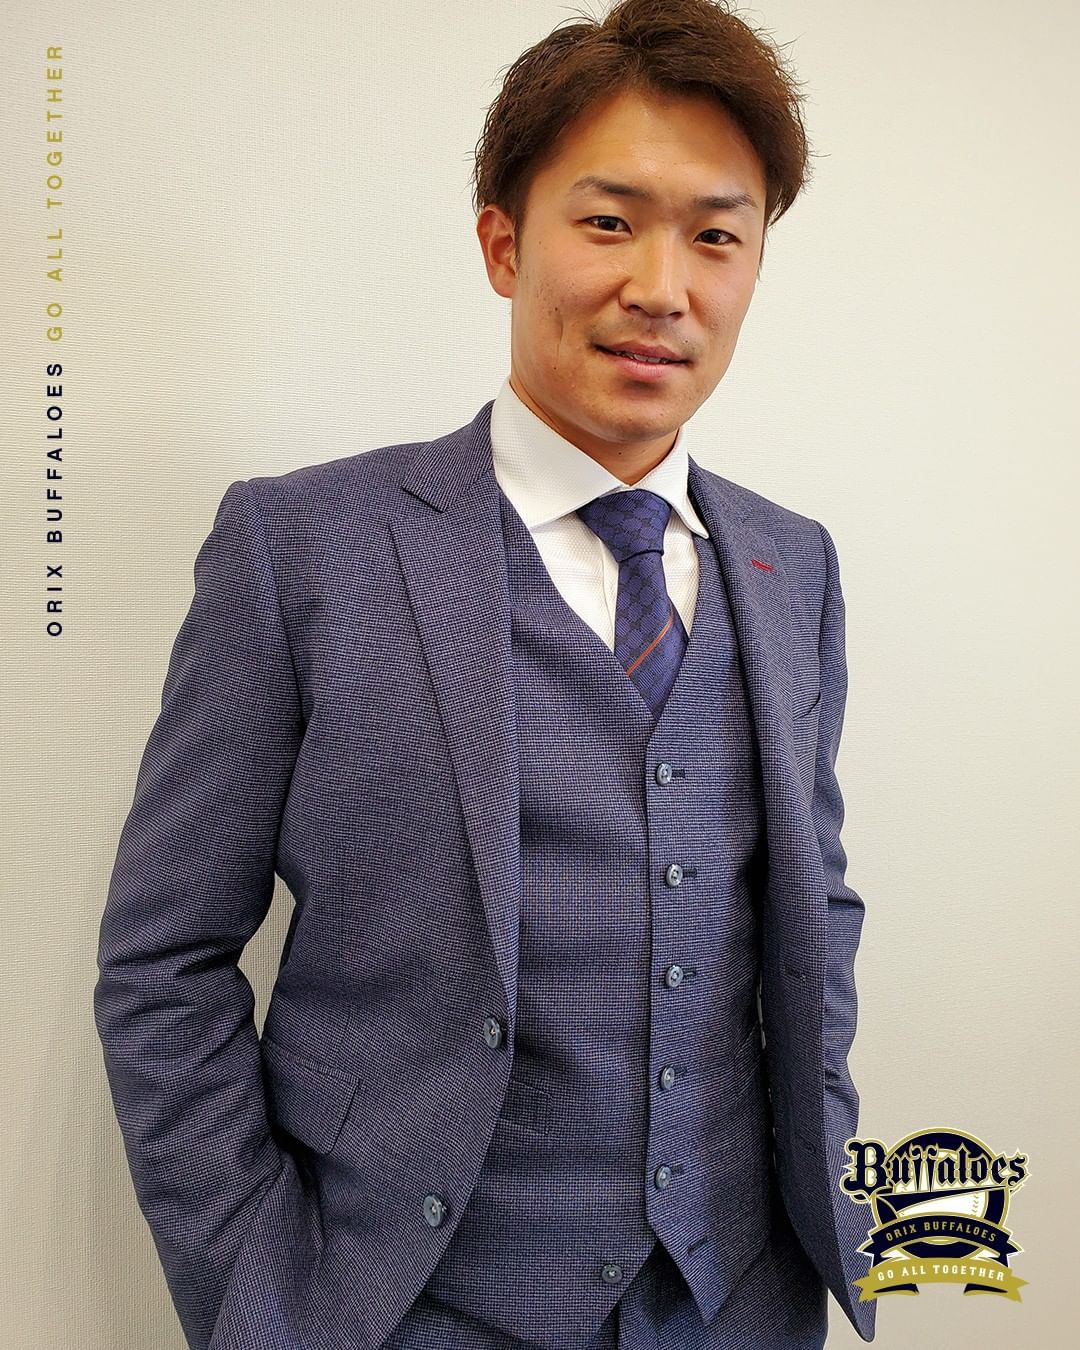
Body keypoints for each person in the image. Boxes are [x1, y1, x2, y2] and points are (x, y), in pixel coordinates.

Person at [94, 1, 875, 1347]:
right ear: (504, 244)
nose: (664, 288)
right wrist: (262, 1298)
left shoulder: (791, 564)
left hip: (738, 1299)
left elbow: (817, 908)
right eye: (610, 220)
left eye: (716, 236)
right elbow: (165, 960)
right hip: (409, 1307)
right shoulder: (303, 549)